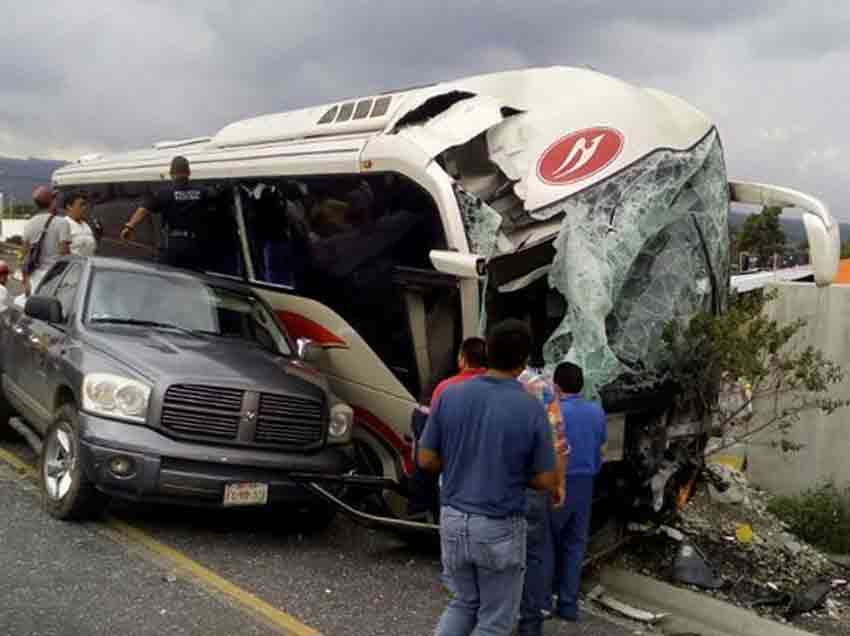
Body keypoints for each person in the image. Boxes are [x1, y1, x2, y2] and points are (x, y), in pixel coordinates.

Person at [418, 320, 560, 636]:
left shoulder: (450, 394)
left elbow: (425, 458)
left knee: (463, 602)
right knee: (495, 621)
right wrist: (513, 473)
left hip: (453, 519)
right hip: (499, 526)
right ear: (525, 361)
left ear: (488, 352)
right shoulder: (530, 408)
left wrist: (461, 464)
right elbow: (547, 480)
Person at [549, 362, 607, 622]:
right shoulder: (596, 411)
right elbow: (601, 446)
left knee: (548, 543)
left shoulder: (554, 411)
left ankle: (543, 601)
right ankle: (568, 605)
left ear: (556, 386)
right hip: (586, 483)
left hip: (559, 483)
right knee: (575, 544)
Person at [120, 156, 218, 270]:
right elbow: (216, 194)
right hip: (195, 245)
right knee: (195, 277)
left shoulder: (164, 193)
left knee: (168, 275)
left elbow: (144, 209)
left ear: (171, 174)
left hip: (173, 245)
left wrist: (129, 226)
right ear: (189, 173)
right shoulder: (202, 191)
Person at [17, 186, 70, 303]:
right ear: (52, 202)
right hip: (55, 279)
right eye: (55, 198)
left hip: (34, 280)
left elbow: (23, 256)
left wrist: (25, 281)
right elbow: (65, 254)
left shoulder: (29, 224)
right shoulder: (62, 223)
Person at [431, 337, 488, 403]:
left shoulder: (444, 388)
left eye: (459, 354)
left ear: (463, 359)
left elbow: (434, 408)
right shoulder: (496, 386)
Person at [63, 191, 97, 256]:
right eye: (81, 205)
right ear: (69, 206)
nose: (84, 208)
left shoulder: (86, 225)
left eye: (85, 205)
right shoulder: (64, 225)